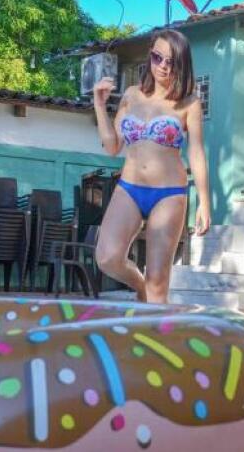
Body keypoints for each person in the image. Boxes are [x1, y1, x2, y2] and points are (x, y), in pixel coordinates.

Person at [92, 29, 210, 304]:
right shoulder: (131, 95)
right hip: (129, 189)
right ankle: (139, 286)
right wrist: (99, 105)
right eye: (158, 57)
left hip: (169, 194)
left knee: (158, 284)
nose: (163, 66)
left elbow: (196, 152)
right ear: (150, 57)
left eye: (171, 61)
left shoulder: (189, 103)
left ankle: (153, 320)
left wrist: (204, 202)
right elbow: (112, 146)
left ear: (182, 65)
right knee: (107, 257)